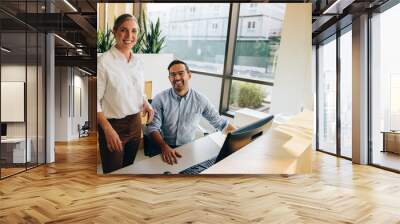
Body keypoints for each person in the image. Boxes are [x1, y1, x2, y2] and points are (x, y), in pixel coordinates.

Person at [146, 60, 236, 165]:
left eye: (181, 73)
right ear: (169, 78)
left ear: (189, 75)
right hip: (162, 147)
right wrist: (164, 147)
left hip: (188, 148)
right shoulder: (160, 99)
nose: (177, 78)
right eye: (173, 75)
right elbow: (153, 128)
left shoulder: (200, 100)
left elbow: (220, 123)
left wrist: (240, 136)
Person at [97, 14, 154, 173]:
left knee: (128, 171)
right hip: (113, 126)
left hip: (135, 124)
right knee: (113, 174)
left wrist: (146, 103)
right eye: (124, 30)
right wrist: (107, 130)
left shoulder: (138, 62)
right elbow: (95, 101)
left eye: (134, 31)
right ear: (114, 31)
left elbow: (138, 91)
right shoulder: (104, 63)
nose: (129, 36)